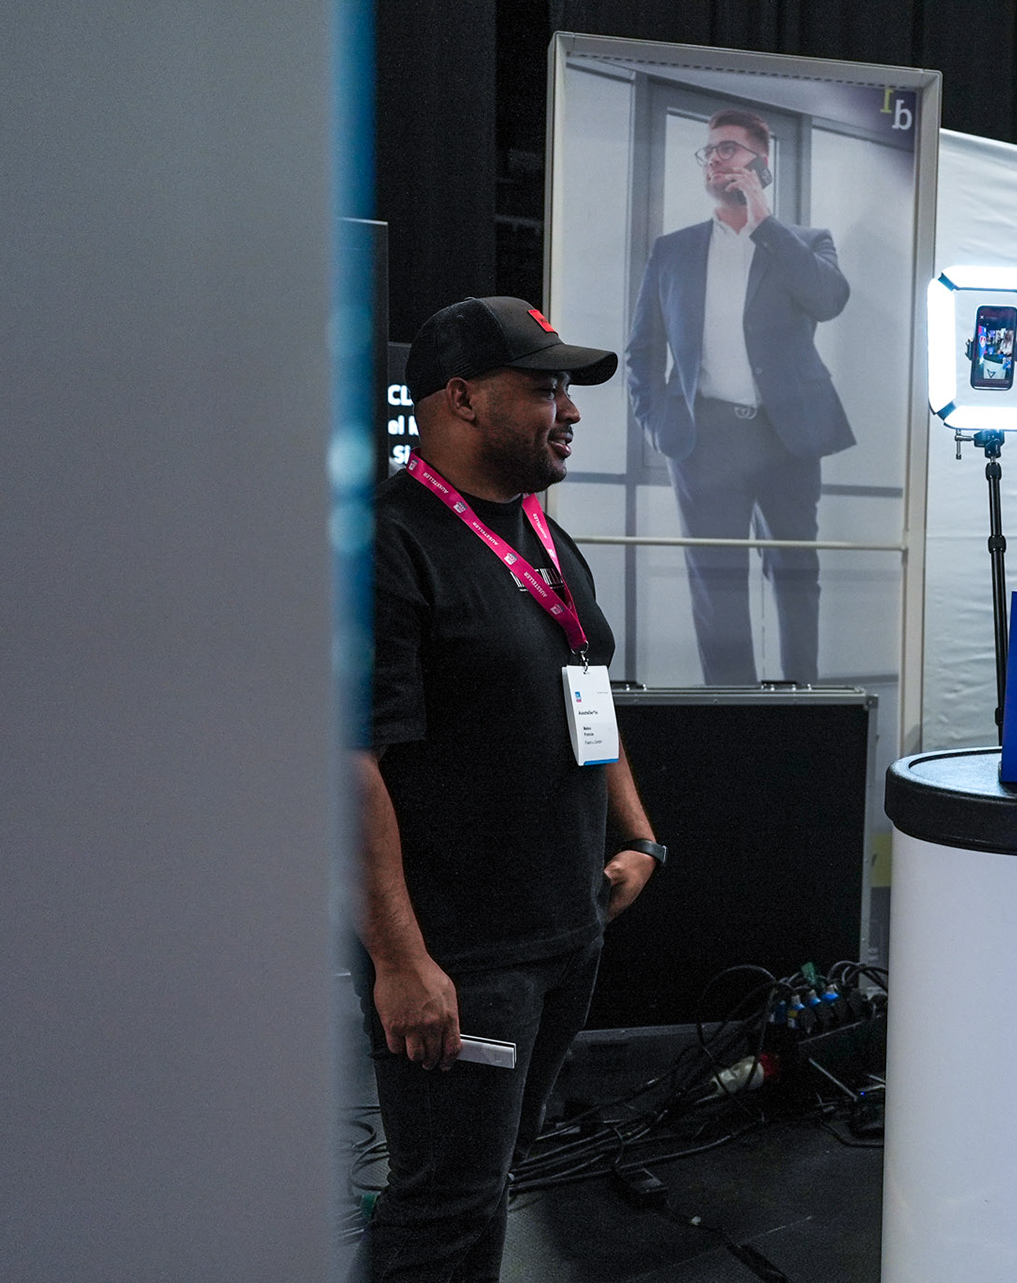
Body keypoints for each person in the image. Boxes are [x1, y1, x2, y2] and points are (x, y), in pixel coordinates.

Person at [356, 296, 668, 1281]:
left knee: (489, 1181)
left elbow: (587, 689)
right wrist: (401, 961)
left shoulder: (540, 534)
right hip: (463, 955)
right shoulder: (385, 545)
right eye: (542, 388)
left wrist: (637, 837)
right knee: (443, 1206)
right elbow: (347, 765)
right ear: (460, 398)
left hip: (566, 930)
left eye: (566, 389)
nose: (567, 411)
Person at [625, 106, 853, 685]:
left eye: (728, 148)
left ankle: (802, 698)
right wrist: (659, 426)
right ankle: (730, 705)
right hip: (705, 438)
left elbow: (828, 300)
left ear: (761, 162)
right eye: (709, 151)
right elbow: (642, 352)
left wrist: (764, 223)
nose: (715, 159)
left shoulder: (805, 242)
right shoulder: (672, 250)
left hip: (787, 435)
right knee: (715, 581)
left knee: (795, 573)